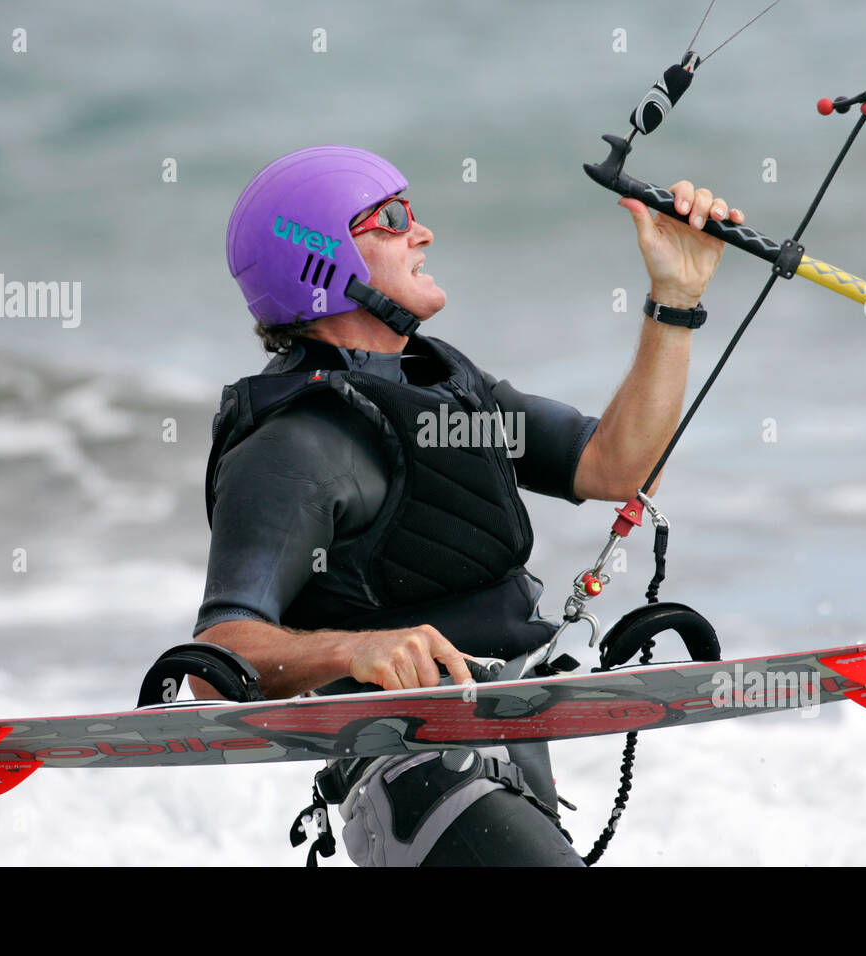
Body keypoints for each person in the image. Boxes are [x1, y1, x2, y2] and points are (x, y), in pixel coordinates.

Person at [194, 145, 743, 866]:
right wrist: (353, 650)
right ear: (319, 258)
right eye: (391, 220)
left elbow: (619, 465)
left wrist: (676, 297)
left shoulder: (444, 387)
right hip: (413, 787)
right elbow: (215, 660)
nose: (421, 233)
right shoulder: (292, 445)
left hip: (505, 771)